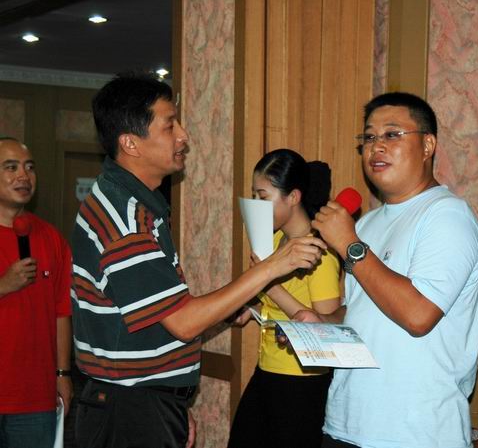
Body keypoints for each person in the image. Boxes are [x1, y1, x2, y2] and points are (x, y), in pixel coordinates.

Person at [71, 73, 325, 448]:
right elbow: (184, 322)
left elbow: (158, 313)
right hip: (129, 410)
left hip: (140, 401)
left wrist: (168, 398)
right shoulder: (125, 219)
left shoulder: (138, 205)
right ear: (131, 143)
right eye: (169, 125)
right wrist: (272, 266)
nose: (183, 136)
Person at [298, 92, 478, 448]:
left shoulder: (447, 216)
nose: (376, 147)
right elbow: (360, 313)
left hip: (417, 433)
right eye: (369, 137)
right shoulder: (366, 224)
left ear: (428, 145)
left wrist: (350, 246)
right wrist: (321, 325)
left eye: (392, 134)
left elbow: (418, 315)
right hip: (345, 426)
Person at [228, 149, 341, 448]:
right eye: (254, 195)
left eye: (263, 196)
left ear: (293, 197)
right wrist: (251, 307)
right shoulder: (275, 241)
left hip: (301, 379)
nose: (256, 205)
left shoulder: (320, 252)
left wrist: (269, 283)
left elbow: (327, 332)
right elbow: (273, 304)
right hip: (268, 368)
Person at [0, 137, 73, 448]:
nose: (23, 176)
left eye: (29, 168)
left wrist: (63, 373)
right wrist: (3, 286)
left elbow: (62, 312)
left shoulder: (52, 238)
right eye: (11, 167)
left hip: (34, 398)